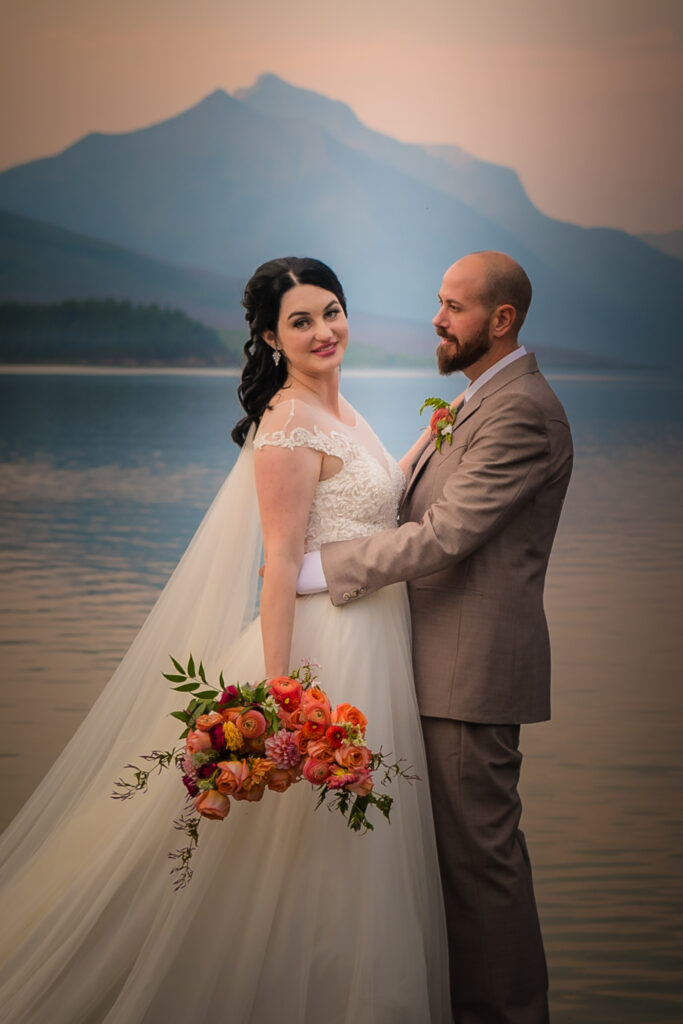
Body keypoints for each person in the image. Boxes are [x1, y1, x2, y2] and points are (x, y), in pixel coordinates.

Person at [0, 257, 451, 1024]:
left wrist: (429, 443)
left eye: (331, 311)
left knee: (354, 856)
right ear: (271, 338)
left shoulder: (345, 411)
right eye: (300, 321)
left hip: (378, 639)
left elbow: (372, 499)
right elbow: (276, 568)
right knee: (301, 852)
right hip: (327, 648)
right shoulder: (286, 424)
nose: (322, 331)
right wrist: (285, 696)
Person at [297, 251, 574, 1024]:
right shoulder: (476, 402)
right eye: (438, 301)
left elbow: (444, 537)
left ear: (501, 320)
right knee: (450, 872)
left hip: (468, 680)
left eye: (453, 306)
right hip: (428, 670)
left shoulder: (521, 411)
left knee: (479, 872)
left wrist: (322, 569)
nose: (436, 317)